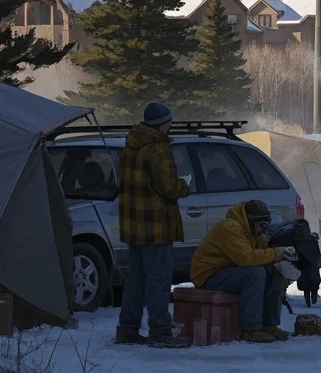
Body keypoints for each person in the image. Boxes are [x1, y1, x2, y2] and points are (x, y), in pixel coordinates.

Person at [115, 102, 191, 348]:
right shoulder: (158, 150)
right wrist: (184, 185)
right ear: (163, 124)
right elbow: (167, 187)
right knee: (158, 281)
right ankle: (160, 330)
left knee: (135, 281)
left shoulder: (130, 147)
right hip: (156, 227)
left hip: (133, 227)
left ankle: (128, 328)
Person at [190, 199, 297, 344]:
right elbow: (246, 258)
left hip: (229, 270)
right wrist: (277, 253)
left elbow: (263, 252)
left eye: (266, 226)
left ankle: (269, 324)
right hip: (209, 276)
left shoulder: (252, 231)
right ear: (251, 221)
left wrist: (281, 263)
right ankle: (249, 328)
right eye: (261, 226)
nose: (262, 230)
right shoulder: (230, 228)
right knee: (255, 273)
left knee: (272, 271)